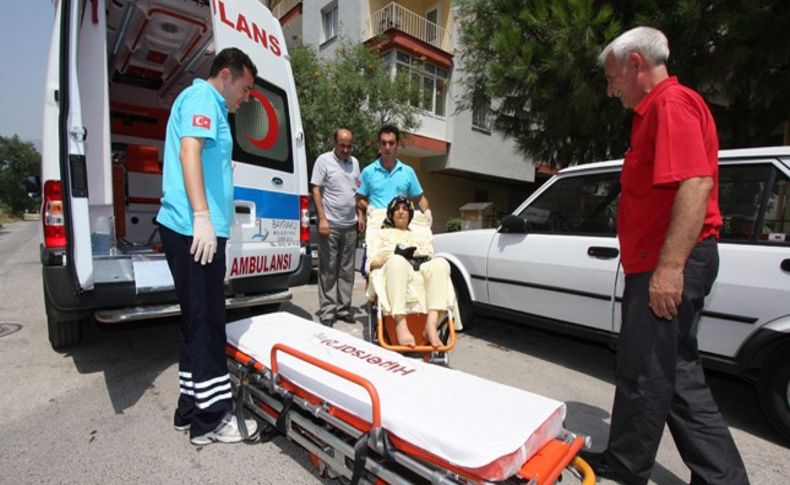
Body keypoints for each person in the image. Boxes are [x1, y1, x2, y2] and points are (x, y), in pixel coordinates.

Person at [581, 27, 749, 484]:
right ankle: (632, 463)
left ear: (636, 63)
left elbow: (695, 184)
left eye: (613, 77)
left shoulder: (670, 106)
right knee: (662, 372)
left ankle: (716, 478)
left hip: (670, 261)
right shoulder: (651, 112)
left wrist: (670, 268)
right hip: (658, 261)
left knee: (656, 372)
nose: (610, 88)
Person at [156, 48, 259, 446]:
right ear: (228, 74)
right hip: (191, 229)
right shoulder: (203, 98)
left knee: (194, 322)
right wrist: (201, 216)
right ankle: (211, 421)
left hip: (195, 229)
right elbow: (190, 152)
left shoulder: (210, 105)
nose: (246, 98)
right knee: (208, 324)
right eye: (246, 88)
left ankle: (189, 409)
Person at [368, 196, 450, 347]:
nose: (401, 212)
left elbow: (430, 255)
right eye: (397, 209)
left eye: (405, 209)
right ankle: (400, 323)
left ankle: (430, 326)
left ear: (410, 215)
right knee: (397, 261)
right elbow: (371, 262)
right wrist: (381, 261)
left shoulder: (418, 235)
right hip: (392, 267)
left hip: (418, 267)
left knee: (441, 263)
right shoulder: (381, 234)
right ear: (391, 214)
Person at [310, 128, 363, 327]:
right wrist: (322, 219)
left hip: (350, 225)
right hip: (330, 224)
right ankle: (328, 311)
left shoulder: (355, 163)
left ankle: (343, 309)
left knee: (347, 269)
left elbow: (357, 191)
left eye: (349, 146)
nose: (346, 150)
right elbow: (315, 189)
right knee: (328, 269)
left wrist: (360, 214)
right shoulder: (323, 161)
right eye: (342, 145)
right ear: (335, 143)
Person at [356, 125, 432, 226]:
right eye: (384, 143)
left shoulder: (408, 172)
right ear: (379, 145)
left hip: (401, 227)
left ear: (397, 145)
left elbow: (420, 198)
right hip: (376, 227)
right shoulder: (368, 172)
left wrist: (427, 212)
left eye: (391, 143)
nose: (387, 147)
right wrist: (368, 207)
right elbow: (358, 199)